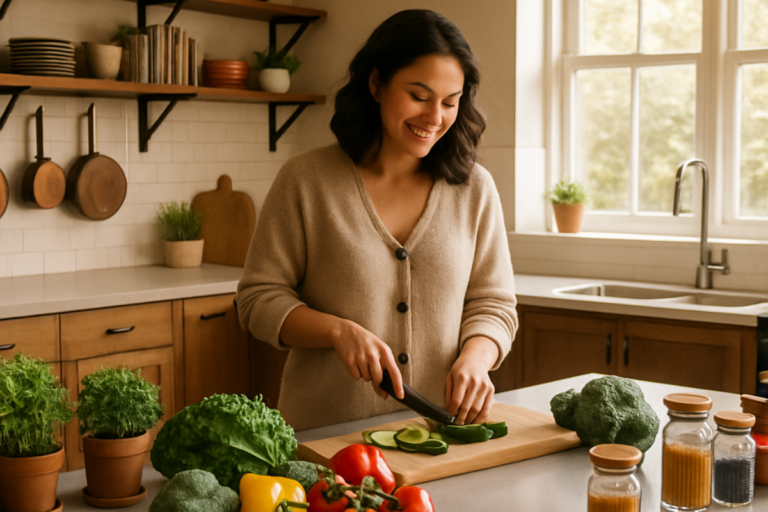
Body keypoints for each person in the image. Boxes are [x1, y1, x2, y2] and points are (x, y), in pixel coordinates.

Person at [237, 9, 517, 432]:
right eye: (419, 96)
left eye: (449, 102)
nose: (434, 117)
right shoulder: (306, 181)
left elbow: (494, 304)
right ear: (376, 84)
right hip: (325, 436)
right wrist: (337, 332)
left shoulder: (474, 189)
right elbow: (258, 299)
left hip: (437, 437)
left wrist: (477, 358)